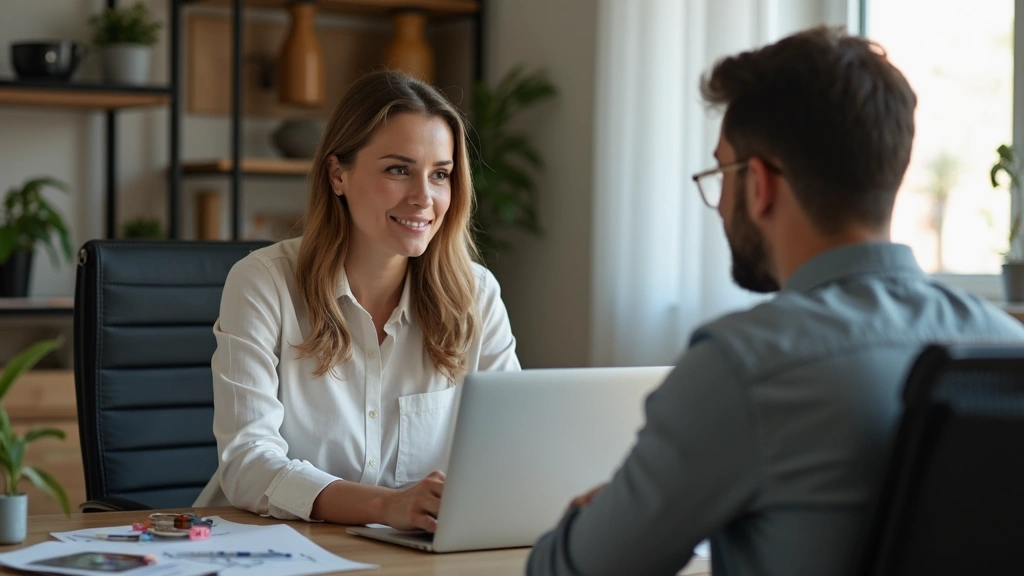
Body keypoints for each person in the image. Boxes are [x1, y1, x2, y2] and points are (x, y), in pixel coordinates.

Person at [528, 26, 1024, 576]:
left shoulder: (743, 367)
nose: (717, 206)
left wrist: (597, 521)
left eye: (721, 173)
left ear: (758, 183)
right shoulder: (1008, 352)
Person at [194, 70, 521, 532]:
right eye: (398, 170)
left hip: (412, 557)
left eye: (440, 175)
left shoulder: (476, 294)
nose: (423, 198)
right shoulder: (263, 284)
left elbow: (511, 446)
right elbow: (249, 465)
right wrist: (386, 506)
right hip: (271, 548)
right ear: (337, 174)